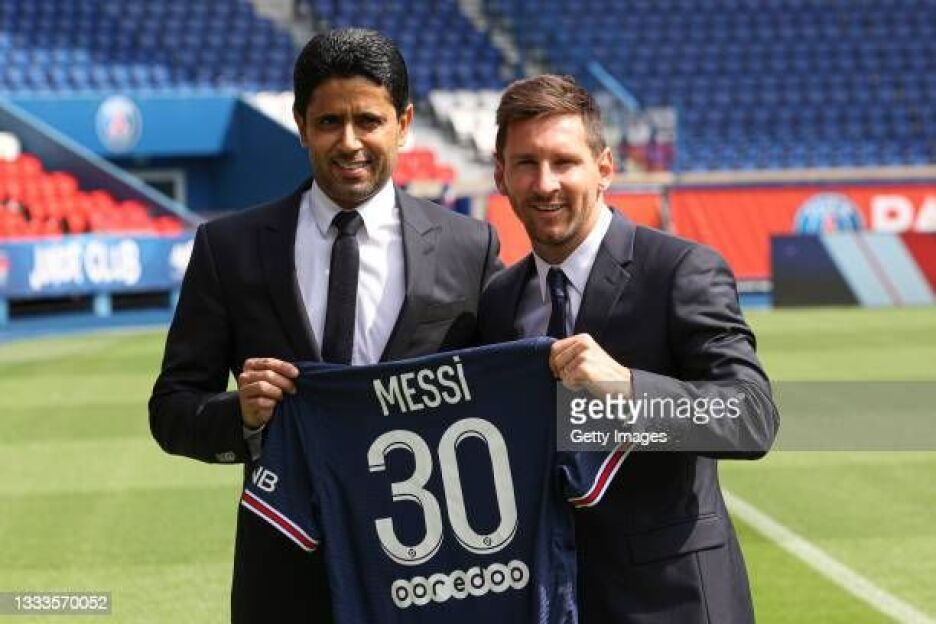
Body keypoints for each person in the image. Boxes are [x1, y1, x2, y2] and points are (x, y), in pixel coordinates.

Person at [149, 29, 501, 623]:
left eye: (369, 120)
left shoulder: (469, 248)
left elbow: (505, 398)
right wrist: (242, 416)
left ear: (403, 123)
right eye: (330, 121)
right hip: (285, 571)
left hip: (431, 571)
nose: (350, 141)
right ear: (301, 124)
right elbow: (171, 410)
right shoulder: (228, 249)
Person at [478, 74, 779, 623]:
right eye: (526, 163)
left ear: (605, 168)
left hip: (672, 602)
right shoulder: (499, 300)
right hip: (551, 600)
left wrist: (627, 388)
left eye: (564, 162)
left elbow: (751, 417)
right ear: (501, 175)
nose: (545, 183)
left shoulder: (681, 270)